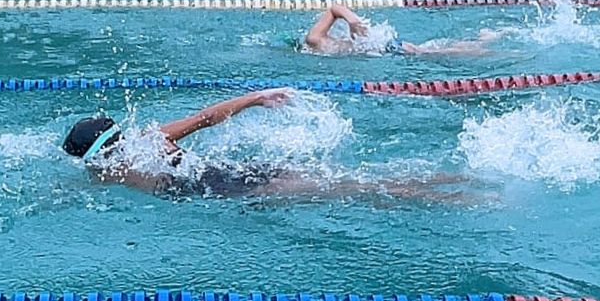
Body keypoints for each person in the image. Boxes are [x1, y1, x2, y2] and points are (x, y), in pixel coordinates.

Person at [62, 88, 467, 201]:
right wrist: (255, 98)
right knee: (354, 182)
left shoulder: (108, 175)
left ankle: (459, 196)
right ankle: (454, 179)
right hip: (232, 173)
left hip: (230, 188)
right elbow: (205, 117)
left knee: (355, 190)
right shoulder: (149, 140)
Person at [304, 3, 503, 56]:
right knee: (434, 49)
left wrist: (352, 21)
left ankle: (484, 46)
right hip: (385, 49)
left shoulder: (313, 41)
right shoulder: (321, 44)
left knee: (437, 52)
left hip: (387, 48)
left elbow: (334, 8)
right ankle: (482, 41)